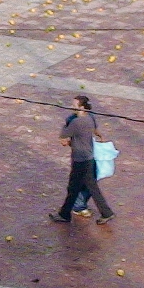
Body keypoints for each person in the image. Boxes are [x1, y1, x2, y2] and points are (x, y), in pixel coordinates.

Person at [49, 95, 115, 225]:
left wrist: (65, 124)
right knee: (91, 187)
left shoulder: (76, 122)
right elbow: (96, 131)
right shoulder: (90, 118)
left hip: (79, 160)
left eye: (75, 105)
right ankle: (106, 213)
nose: (72, 107)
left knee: (73, 188)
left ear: (82, 107)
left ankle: (64, 214)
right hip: (89, 158)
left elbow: (63, 139)